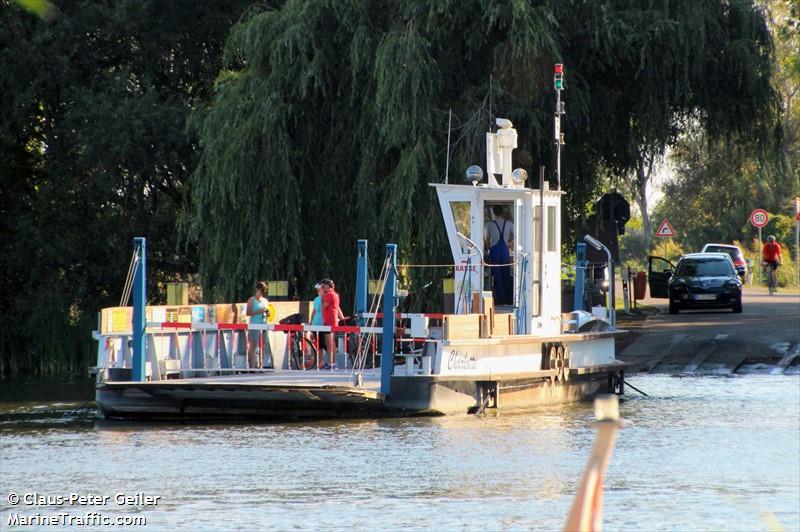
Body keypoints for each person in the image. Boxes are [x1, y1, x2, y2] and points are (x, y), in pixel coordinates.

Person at [484, 205, 514, 305]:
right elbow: (516, 236)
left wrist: (488, 249)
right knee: (506, 276)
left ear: (494, 213)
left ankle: (502, 299)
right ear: (503, 212)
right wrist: (510, 245)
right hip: (505, 251)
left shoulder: (489, 225)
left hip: (495, 252)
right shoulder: (509, 224)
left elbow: (487, 239)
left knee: (497, 278)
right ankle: (509, 299)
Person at [246, 281, 271, 369]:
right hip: (254, 325)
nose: (261, 293)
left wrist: (267, 313)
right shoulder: (251, 300)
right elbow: (248, 313)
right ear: (257, 290)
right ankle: (252, 367)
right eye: (260, 291)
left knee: (263, 345)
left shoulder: (265, 301)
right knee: (253, 345)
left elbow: (267, 311)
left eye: (263, 291)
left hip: (264, 324)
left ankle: (261, 366)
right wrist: (259, 311)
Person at [321, 279, 344, 369]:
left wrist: (322, 296)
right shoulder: (336, 295)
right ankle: (333, 363)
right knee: (331, 343)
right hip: (333, 321)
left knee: (329, 343)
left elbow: (323, 307)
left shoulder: (329, 295)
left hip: (329, 322)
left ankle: (331, 363)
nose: (323, 287)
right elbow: (337, 308)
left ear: (329, 287)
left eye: (325, 286)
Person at [308, 282, 326, 359]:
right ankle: (315, 359)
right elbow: (314, 311)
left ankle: (320, 360)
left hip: (322, 323)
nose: (318, 292)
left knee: (322, 344)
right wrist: (311, 322)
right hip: (316, 322)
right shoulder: (316, 299)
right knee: (316, 343)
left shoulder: (326, 298)